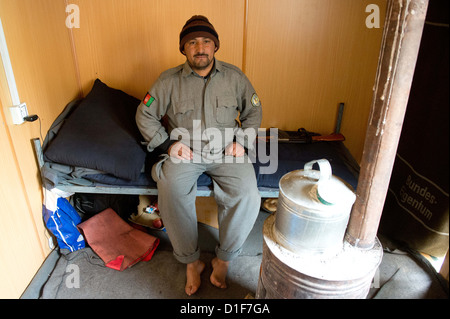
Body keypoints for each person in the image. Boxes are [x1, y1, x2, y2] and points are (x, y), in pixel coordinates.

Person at [136, 15, 262, 296]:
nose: (200, 47)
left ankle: (223, 258)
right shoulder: (168, 80)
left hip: (226, 149)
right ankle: (192, 262)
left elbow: (254, 112)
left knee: (248, 194)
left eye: (206, 41)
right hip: (186, 151)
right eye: (192, 42)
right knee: (170, 187)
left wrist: (241, 141)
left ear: (215, 46)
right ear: (184, 49)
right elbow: (145, 114)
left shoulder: (235, 77)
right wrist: (168, 145)